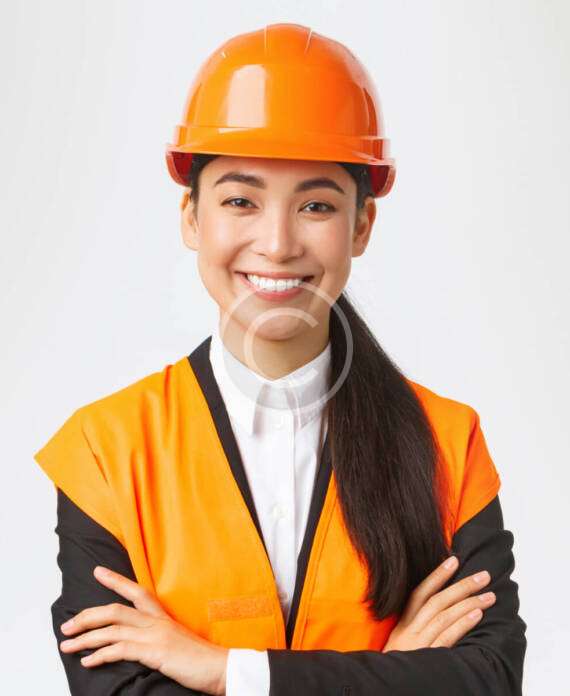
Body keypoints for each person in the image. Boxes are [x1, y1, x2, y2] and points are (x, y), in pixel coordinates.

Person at [33, 22, 527, 695]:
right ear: (191, 217)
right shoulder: (106, 452)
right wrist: (394, 674)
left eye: (316, 205)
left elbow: (490, 679)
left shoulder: (448, 442)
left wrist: (222, 670)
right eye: (241, 200)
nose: (277, 243)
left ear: (360, 226)